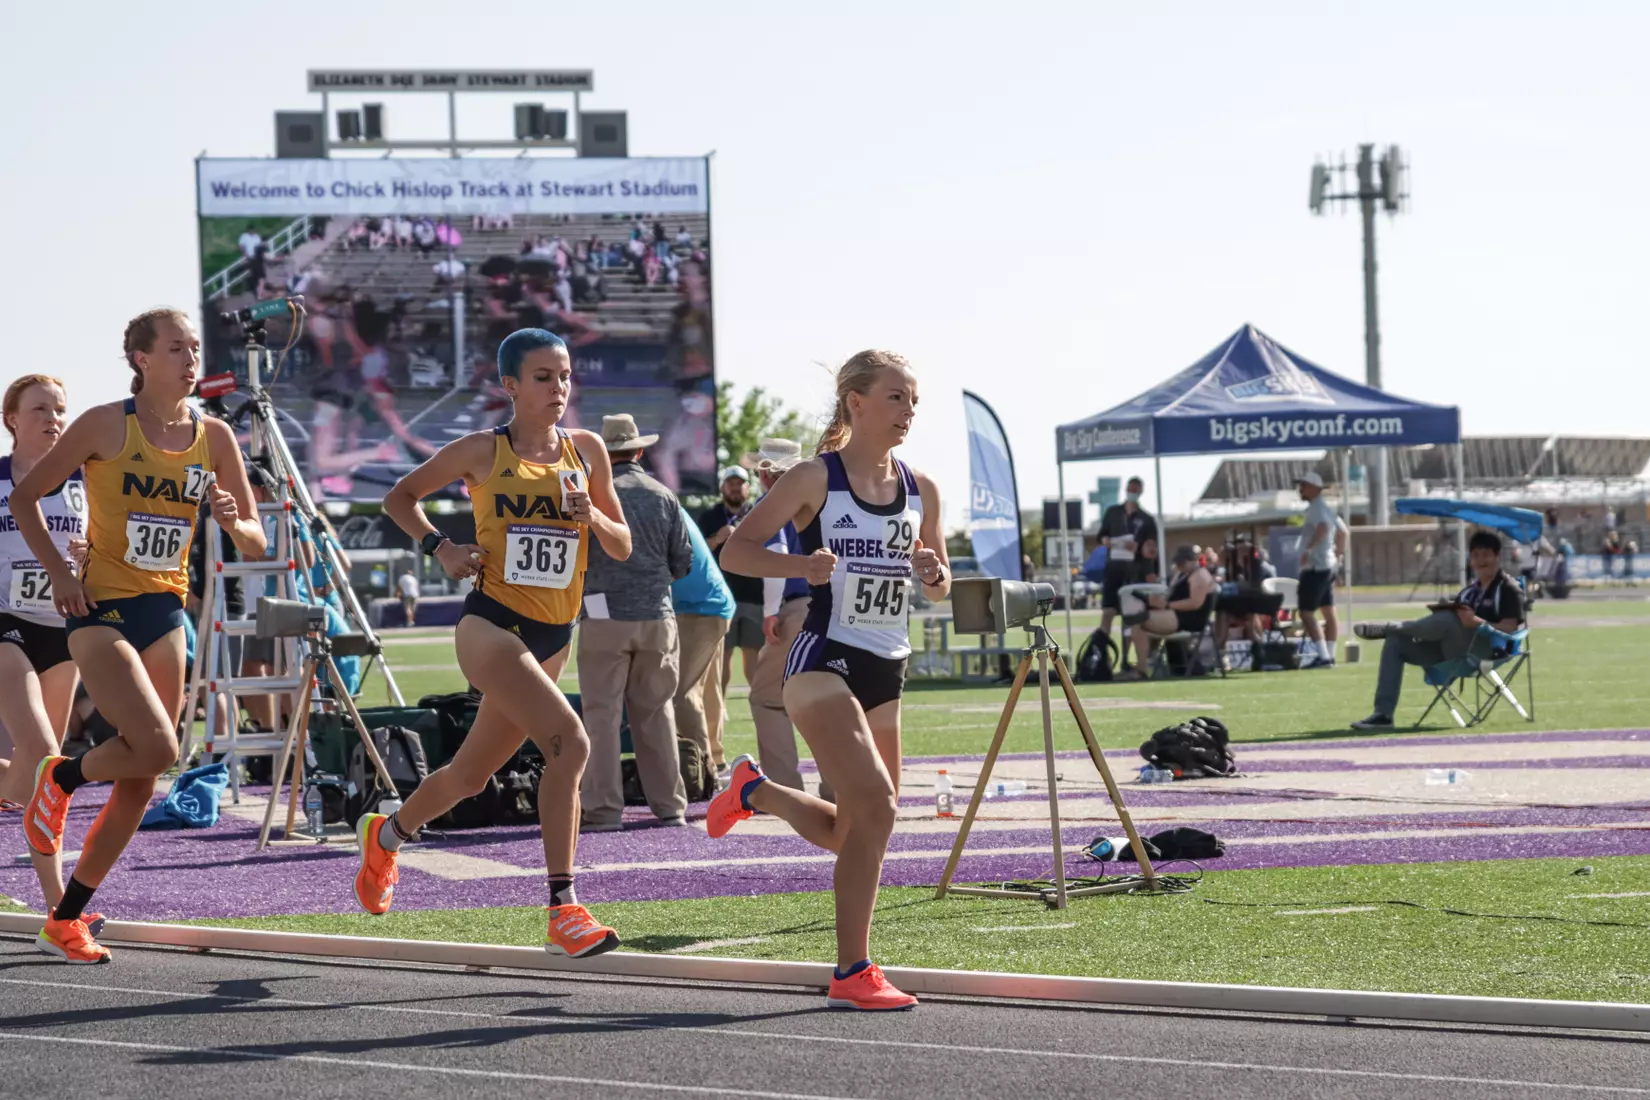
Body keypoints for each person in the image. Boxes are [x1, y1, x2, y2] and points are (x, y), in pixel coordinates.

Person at [365, 327, 631, 958]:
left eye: (565, 376)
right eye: (543, 377)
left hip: (553, 633)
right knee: (572, 745)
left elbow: (621, 545)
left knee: (467, 775)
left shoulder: (588, 450)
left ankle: (388, 835)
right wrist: (441, 547)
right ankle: (563, 906)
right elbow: (399, 498)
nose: (558, 388)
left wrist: (588, 513)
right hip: (490, 625)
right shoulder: (483, 451)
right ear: (510, 385)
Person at [15, 308, 265, 964]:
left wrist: (236, 522)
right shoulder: (105, 423)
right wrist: (60, 571)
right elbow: (24, 498)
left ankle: (65, 919)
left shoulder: (214, 436)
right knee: (154, 745)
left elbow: (256, 537)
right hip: (101, 610)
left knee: (144, 773)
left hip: (166, 611)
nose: (190, 359)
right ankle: (62, 778)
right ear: (141, 359)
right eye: (176, 348)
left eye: (194, 348)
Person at [710, 349, 949, 1011]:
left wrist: (932, 574)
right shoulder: (815, 478)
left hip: (887, 663)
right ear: (857, 403)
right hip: (822, 658)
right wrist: (801, 568)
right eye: (897, 397)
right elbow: (735, 549)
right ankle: (853, 969)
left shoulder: (921, 486)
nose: (909, 411)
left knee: (860, 827)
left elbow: (939, 582)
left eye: (914, 400)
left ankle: (755, 792)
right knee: (877, 806)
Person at [0, 375, 93, 922]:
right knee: (38, 754)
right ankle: (62, 907)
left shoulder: (84, 480)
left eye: (60, 409)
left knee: (48, 776)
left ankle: (58, 904)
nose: (54, 418)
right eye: (40, 409)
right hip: (4, 621)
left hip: (63, 627)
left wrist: (90, 552)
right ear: (12, 418)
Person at [576, 414, 693, 831]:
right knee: (656, 713)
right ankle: (669, 807)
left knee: (601, 717)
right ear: (640, 451)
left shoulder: (589, 496)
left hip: (602, 613)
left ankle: (604, 811)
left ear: (601, 456)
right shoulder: (663, 495)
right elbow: (683, 562)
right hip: (657, 617)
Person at [1350, 530, 1524, 730]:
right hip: (1452, 651)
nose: (1481, 560)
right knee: (1396, 642)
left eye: (1486, 554)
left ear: (1497, 556)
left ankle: (1392, 626)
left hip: (1485, 653)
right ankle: (1383, 715)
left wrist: (1476, 622)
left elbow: (1509, 628)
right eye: (1476, 555)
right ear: (1470, 559)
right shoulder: (1468, 592)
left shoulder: (1508, 588)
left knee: (1448, 620)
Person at [742, 438, 812, 793]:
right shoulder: (823, 497)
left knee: (767, 699)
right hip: (832, 608)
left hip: (796, 606)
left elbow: (776, 556)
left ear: (766, 473)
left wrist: (770, 612)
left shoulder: (772, 502)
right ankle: (840, 789)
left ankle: (784, 790)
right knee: (824, 700)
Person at [670, 501, 733, 778]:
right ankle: (716, 762)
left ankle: (704, 775)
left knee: (681, 694)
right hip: (712, 603)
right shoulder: (664, 500)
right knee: (706, 690)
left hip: (697, 607)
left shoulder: (644, 503)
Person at [699, 466, 764, 696]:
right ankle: (721, 707)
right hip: (721, 597)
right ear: (722, 487)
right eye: (731, 483)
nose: (735, 488)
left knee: (753, 656)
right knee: (722, 657)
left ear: (748, 487)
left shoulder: (760, 513)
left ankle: (759, 705)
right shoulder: (709, 516)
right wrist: (717, 538)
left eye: (740, 483)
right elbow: (697, 552)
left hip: (755, 596)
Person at [1123, 545, 1217, 678]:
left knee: (1140, 620)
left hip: (1190, 618)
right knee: (1137, 619)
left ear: (1192, 560)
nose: (1179, 565)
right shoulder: (1180, 574)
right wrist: (1155, 601)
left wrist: (1168, 605)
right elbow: (1170, 594)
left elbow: (1195, 603)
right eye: (1178, 562)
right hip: (1176, 613)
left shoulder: (1200, 575)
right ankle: (1147, 663)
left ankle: (1143, 668)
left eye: (1182, 562)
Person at [1097, 477, 1157, 647]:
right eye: (1130, 489)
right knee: (1108, 611)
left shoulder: (1146, 519)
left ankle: (1125, 659)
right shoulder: (1113, 512)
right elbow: (1101, 535)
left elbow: (1151, 550)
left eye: (1136, 490)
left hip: (1134, 571)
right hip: (1113, 568)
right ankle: (1101, 653)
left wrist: (1139, 548)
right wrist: (1106, 540)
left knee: (1129, 616)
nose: (1132, 493)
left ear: (1141, 492)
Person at [1295, 472, 1338, 669]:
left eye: (1303, 486)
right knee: (1328, 611)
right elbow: (1343, 532)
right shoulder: (1325, 508)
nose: (1300, 490)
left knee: (1306, 612)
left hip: (1316, 567)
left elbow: (1322, 528)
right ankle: (1330, 653)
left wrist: (1309, 549)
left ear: (1313, 487)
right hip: (1326, 564)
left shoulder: (1318, 508)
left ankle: (1323, 656)